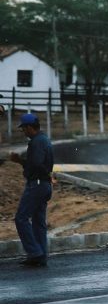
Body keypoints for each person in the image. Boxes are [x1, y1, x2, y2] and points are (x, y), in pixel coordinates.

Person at [11, 113, 54, 267]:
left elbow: (35, 164)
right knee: (38, 221)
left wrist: (19, 161)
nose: (23, 131)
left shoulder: (36, 142)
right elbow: (39, 163)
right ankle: (40, 255)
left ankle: (35, 252)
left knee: (21, 218)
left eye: (23, 129)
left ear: (29, 127)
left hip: (36, 185)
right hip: (44, 185)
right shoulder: (45, 139)